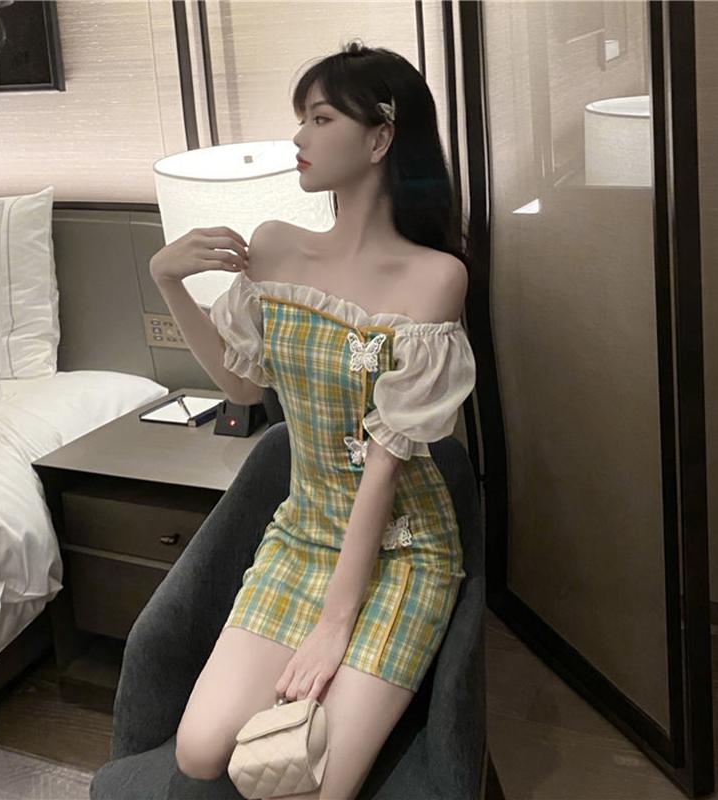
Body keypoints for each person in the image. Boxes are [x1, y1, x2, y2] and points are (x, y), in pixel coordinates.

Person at [150, 39, 477, 800]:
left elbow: (386, 466)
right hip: (303, 534)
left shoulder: (435, 278)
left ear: (380, 138)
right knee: (200, 752)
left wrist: (336, 626)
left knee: (311, 785)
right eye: (302, 118)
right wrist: (168, 281)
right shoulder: (274, 247)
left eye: (320, 118)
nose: (299, 136)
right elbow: (240, 383)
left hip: (404, 548)